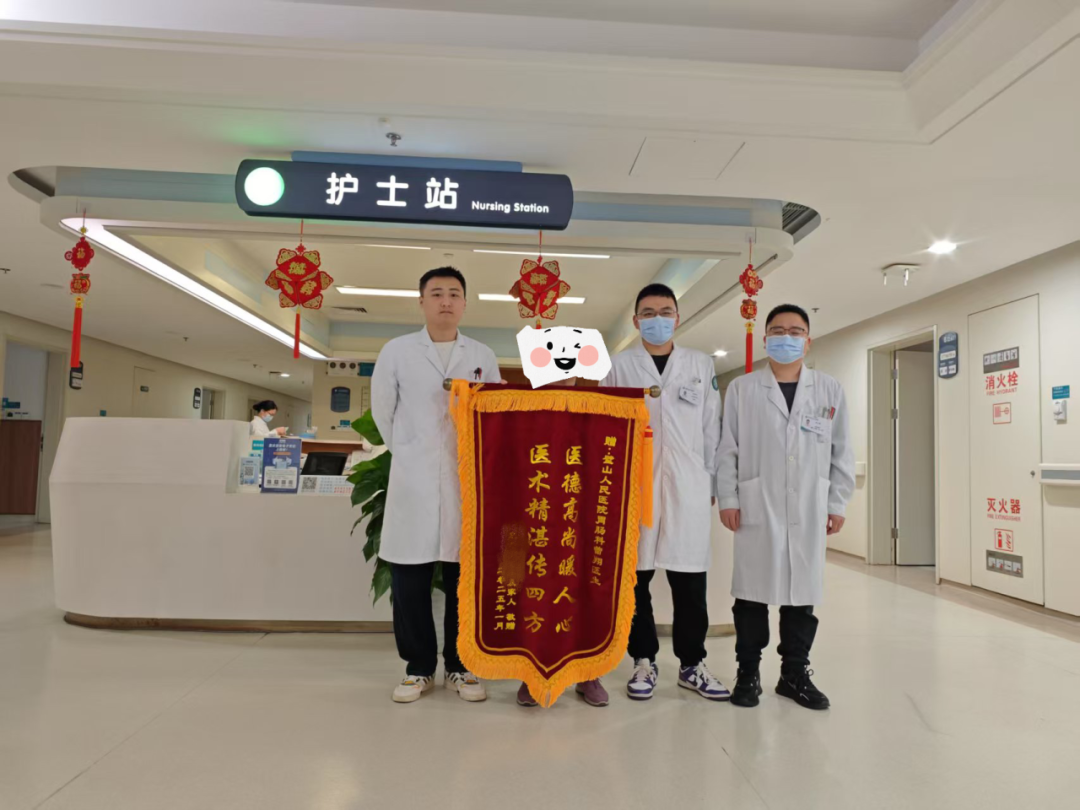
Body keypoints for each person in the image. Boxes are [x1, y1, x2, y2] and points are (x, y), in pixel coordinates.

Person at [371, 267, 502, 704]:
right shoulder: (397, 351)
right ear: (422, 301)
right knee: (410, 580)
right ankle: (418, 668)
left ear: (465, 303)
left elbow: (494, 413)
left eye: (454, 294)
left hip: (467, 482)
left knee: (464, 578)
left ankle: (461, 667)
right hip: (415, 481)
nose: (446, 301)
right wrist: (412, 454)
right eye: (437, 293)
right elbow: (384, 413)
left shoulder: (481, 353)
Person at [716, 304, 855, 710]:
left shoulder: (829, 390)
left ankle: (794, 674)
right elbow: (728, 449)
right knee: (751, 597)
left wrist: (837, 502)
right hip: (756, 505)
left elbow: (842, 451)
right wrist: (729, 498)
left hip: (809, 505)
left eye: (796, 331)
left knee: (801, 596)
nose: (787, 338)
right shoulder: (742, 389)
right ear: (765, 340)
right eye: (778, 331)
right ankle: (748, 672)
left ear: (808, 341)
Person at [601, 283, 728, 702]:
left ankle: (692, 664)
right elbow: (606, 426)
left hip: (688, 484)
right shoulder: (618, 366)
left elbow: (711, 428)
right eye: (649, 313)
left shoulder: (699, 364)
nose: (658, 319)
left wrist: (709, 480)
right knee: (635, 579)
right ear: (636, 321)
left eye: (666, 311)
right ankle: (643, 660)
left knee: (690, 581)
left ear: (678, 317)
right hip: (635, 486)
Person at [514, 374, 609, 709]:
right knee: (533, 595)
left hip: (577, 516)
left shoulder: (594, 407)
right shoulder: (519, 406)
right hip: (532, 517)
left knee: (582, 593)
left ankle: (588, 674)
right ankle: (531, 675)